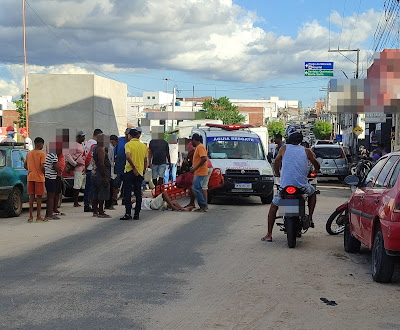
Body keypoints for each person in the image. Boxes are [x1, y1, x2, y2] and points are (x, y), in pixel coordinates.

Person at [261, 131, 320, 242]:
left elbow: (277, 161)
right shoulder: (306, 151)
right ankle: (310, 217)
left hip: (285, 187)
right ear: (301, 141)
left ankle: (269, 234)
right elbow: (316, 163)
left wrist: (277, 172)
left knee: (273, 208)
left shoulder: (284, 149)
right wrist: (316, 170)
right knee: (313, 193)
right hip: (302, 187)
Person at [120, 129, 148, 220]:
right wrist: (143, 171)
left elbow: (128, 156)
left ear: (130, 136)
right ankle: (137, 214)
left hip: (129, 171)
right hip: (139, 172)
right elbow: (145, 160)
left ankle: (128, 213)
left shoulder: (128, 144)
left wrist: (134, 168)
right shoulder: (143, 146)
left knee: (127, 193)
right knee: (138, 193)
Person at [24, 137, 46, 222]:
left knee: (31, 197)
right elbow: (42, 166)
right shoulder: (42, 154)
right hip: (39, 178)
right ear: (40, 144)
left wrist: (30, 170)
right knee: (39, 198)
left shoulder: (29, 153)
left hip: (30, 177)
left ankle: (30, 217)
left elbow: (25, 165)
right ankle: (38, 216)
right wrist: (43, 173)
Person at [91, 134, 112, 218]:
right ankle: (101, 211)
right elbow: (101, 164)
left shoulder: (95, 147)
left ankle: (95, 211)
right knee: (102, 193)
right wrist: (104, 177)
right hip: (101, 174)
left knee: (96, 193)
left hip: (95, 173)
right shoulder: (101, 149)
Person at [188, 133, 209, 212]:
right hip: (198, 172)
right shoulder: (198, 147)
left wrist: (195, 168)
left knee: (195, 188)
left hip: (201, 172)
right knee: (198, 188)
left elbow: (204, 159)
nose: (191, 143)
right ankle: (202, 205)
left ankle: (203, 205)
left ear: (194, 140)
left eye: (192, 141)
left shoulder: (200, 147)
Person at [84, 129, 103, 212]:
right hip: (92, 168)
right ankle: (92, 206)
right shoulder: (94, 144)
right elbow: (89, 157)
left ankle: (87, 205)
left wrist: (85, 167)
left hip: (88, 168)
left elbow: (85, 155)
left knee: (87, 188)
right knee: (93, 189)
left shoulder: (87, 143)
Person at [66, 131, 86, 207]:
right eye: (82, 136)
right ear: (78, 137)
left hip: (84, 168)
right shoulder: (74, 145)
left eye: (84, 136)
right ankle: (75, 202)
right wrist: (74, 163)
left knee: (84, 185)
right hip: (78, 168)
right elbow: (67, 154)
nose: (83, 138)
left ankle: (86, 201)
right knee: (77, 186)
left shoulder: (83, 144)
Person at [113, 128, 131, 205]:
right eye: (126, 134)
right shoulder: (120, 140)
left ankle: (124, 199)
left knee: (126, 184)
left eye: (129, 135)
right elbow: (114, 152)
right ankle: (114, 199)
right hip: (119, 166)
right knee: (116, 184)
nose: (127, 136)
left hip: (128, 166)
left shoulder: (132, 143)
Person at [44, 145, 61, 220]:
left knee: (49, 197)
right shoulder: (53, 155)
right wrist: (59, 168)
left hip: (48, 177)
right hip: (51, 178)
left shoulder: (49, 154)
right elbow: (57, 168)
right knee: (51, 197)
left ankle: (48, 213)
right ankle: (49, 215)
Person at [105, 135, 118, 210]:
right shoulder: (110, 147)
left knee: (109, 188)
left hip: (108, 169)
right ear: (113, 141)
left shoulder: (107, 146)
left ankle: (108, 204)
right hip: (109, 170)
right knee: (110, 188)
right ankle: (108, 204)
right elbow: (110, 160)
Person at [53, 145, 65, 216]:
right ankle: (54, 208)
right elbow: (56, 166)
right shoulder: (55, 156)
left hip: (59, 175)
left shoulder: (60, 154)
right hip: (56, 175)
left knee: (57, 192)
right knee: (55, 193)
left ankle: (55, 207)